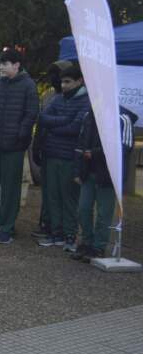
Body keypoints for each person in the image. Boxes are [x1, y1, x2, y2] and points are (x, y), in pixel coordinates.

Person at [0, 48, 39, 244]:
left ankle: (6, 228)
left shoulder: (29, 86)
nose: (1, 67)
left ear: (16, 65)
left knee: (10, 190)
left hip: (14, 148)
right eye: (0, 64)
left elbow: (30, 115)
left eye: (5, 64)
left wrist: (20, 140)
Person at [71, 106, 138, 262]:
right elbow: (80, 143)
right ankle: (87, 242)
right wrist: (77, 170)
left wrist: (95, 153)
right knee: (83, 209)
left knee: (104, 213)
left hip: (109, 175)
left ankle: (98, 246)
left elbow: (125, 148)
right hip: (89, 172)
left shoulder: (123, 118)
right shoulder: (89, 115)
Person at [36, 64, 89, 252]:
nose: (64, 85)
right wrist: (63, 122)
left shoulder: (86, 101)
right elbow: (42, 118)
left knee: (69, 197)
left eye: (68, 82)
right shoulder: (57, 99)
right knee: (52, 196)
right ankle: (55, 233)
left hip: (69, 156)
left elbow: (76, 128)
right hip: (51, 154)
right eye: (62, 82)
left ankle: (70, 235)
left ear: (79, 81)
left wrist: (54, 127)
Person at [31, 60, 73, 239]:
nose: (55, 79)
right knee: (48, 190)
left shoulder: (72, 98)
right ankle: (48, 223)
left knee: (64, 192)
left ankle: (62, 228)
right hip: (46, 148)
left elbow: (69, 125)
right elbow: (41, 122)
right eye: (53, 75)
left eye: (58, 75)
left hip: (64, 152)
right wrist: (36, 146)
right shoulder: (48, 96)